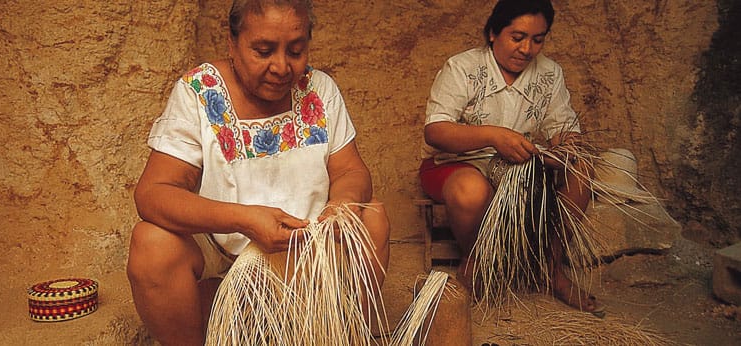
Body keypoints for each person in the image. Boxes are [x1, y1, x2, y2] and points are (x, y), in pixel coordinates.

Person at [126, 1, 390, 344]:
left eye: (296, 51)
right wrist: (244, 220)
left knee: (373, 218)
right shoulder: (200, 92)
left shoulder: (319, 89)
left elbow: (351, 170)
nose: (281, 67)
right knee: (152, 244)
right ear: (232, 43)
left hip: (308, 254)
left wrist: (343, 203)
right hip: (224, 258)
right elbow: (153, 194)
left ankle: (336, 334)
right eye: (263, 50)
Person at [419, 0, 599, 313]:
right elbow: (435, 131)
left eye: (538, 39)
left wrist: (563, 149)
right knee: (471, 190)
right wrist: (493, 136)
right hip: (457, 164)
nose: (527, 49)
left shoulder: (550, 74)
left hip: (519, 167)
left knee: (581, 168)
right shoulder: (463, 67)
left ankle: (551, 269)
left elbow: (567, 129)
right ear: (493, 33)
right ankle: (475, 260)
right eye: (517, 37)